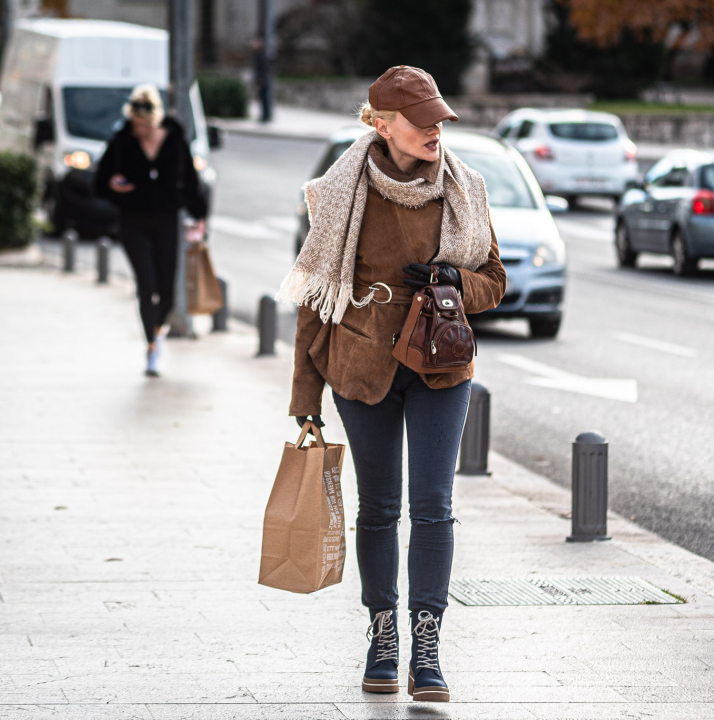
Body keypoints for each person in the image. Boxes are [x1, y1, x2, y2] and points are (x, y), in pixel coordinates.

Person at [280, 65, 505, 703]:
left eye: (440, 118)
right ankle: (383, 633)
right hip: (360, 364)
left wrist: (455, 282)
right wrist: (305, 397)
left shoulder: (468, 190)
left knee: (433, 507)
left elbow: (495, 278)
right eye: (421, 121)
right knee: (378, 509)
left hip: (441, 365)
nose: (436, 130)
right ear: (381, 124)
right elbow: (314, 297)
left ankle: (426, 644)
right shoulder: (338, 193)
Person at [93, 85, 207, 377]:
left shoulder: (175, 140)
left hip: (167, 220)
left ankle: (157, 333)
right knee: (147, 285)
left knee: (166, 290)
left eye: (143, 125)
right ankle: (153, 345)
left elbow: (191, 183)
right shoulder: (122, 140)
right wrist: (113, 185)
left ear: (154, 120)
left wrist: (200, 216)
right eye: (134, 124)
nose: (139, 130)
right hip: (133, 221)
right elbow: (100, 179)